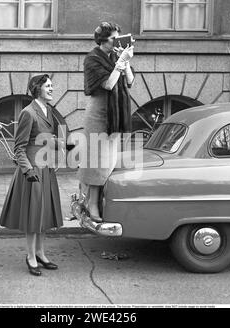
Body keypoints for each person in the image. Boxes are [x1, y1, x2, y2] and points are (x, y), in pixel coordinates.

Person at [0, 74, 63, 276]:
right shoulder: (28, 113)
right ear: (37, 89)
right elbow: (19, 148)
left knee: (43, 215)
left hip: (46, 168)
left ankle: (41, 254)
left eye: (52, 85)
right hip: (33, 171)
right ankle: (30, 256)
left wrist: (61, 145)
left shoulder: (48, 110)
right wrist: (28, 171)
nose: (52, 89)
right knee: (33, 215)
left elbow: (44, 137)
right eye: (48, 86)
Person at [77, 22, 135, 222]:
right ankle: (91, 205)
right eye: (114, 39)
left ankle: (89, 201)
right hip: (99, 114)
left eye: (119, 38)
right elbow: (109, 84)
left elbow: (130, 81)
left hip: (114, 114)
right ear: (103, 40)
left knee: (107, 162)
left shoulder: (114, 56)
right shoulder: (92, 58)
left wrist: (125, 62)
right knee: (96, 163)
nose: (117, 42)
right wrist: (120, 63)